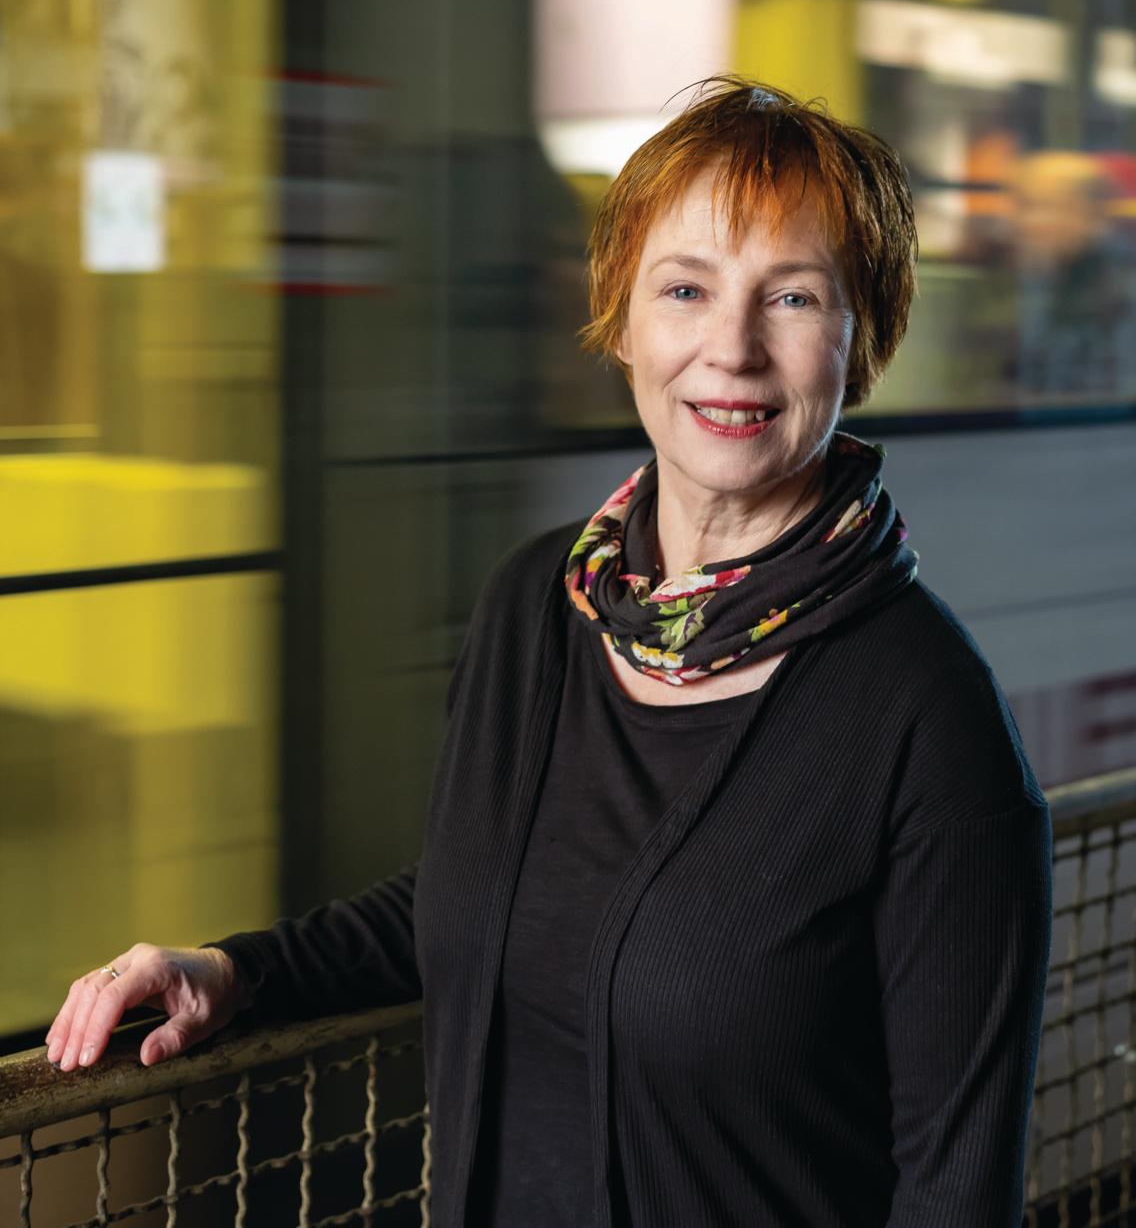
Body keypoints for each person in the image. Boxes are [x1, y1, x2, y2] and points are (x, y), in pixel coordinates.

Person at [46, 79, 1053, 1228]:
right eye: (684, 288)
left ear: (858, 340)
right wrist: (237, 973)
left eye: (790, 297)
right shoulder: (537, 607)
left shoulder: (926, 718)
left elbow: (954, 1193)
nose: (729, 348)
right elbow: (493, 893)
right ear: (621, 322)